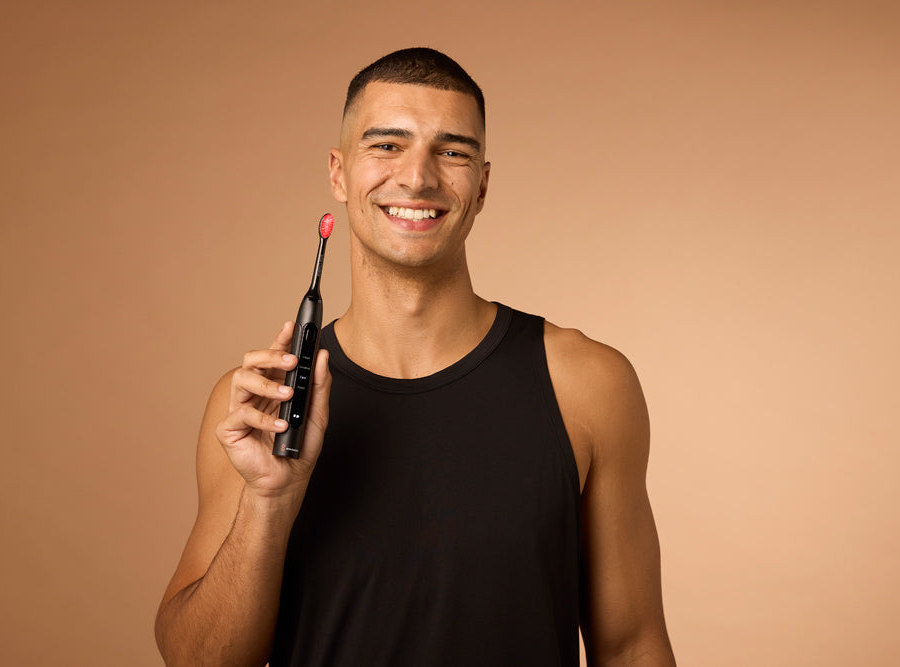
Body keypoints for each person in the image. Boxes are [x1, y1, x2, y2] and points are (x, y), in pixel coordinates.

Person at [155, 47, 675, 666]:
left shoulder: (586, 384)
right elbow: (199, 660)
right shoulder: (262, 406)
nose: (419, 177)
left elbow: (633, 644)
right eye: (386, 145)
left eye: (452, 151)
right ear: (339, 173)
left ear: (481, 185)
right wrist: (268, 502)